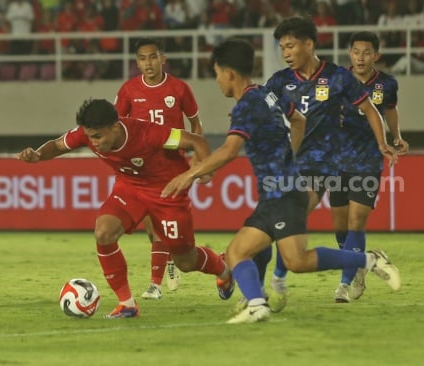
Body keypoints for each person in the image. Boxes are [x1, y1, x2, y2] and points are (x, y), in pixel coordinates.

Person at [161, 38, 401, 324]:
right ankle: (262, 302)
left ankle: (262, 301)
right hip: (283, 190)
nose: (217, 81)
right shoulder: (267, 94)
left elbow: (229, 150)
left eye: (216, 74)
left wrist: (189, 174)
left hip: (282, 193)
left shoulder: (246, 105)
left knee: (263, 256)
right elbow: (298, 119)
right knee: (266, 256)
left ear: (229, 74)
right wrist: (292, 155)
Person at [17, 98, 234, 319]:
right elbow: (58, 145)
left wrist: (203, 170)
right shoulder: (88, 134)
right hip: (131, 188)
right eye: (90, 136)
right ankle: (127, 304)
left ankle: (224, 268)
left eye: (98, 137)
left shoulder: (148, 133)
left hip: (167, 193)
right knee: (104, 232)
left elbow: (196, 141)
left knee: (185, 262)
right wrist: (38, 155)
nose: (94, 143)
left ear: (115, 126)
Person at [239, 16, 399, 313]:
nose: (285, 53)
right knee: (273, 225)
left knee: (280, 221)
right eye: (282, 47)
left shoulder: (338, 77)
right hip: (288, 166)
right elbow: (263, 110)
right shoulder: (279, 81)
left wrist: (381, 143)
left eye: (290, 46)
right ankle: (272, 283)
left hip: (322, 166)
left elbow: (369, 108)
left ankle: (266, 288)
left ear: (309, 44)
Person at [114, 37, 206, 299]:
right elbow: (117, 126)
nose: (148, 63)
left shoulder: (179, 89)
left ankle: (155, 285)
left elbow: (195, 124)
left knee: (163, 225)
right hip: (141, 167)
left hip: (172, 166)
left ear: (163, 59)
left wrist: (197, 158)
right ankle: (167, 264)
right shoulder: (129, 90)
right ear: (137, 63)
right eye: (142, 59)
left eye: (153, 57)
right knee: (151, 226)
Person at [330, 31, 409, 303]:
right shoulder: (337, 79)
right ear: (349, 53)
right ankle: (362, 262)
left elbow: (390, 111)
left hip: (368, 161)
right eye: (356, 51)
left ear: (376, 55)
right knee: (340, 227)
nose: (360, 57)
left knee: (356, 222)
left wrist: (396, 136)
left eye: (366, 52)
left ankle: (344, 283)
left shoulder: (387, 83)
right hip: (337, 161)